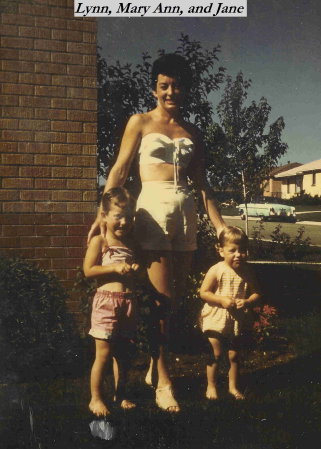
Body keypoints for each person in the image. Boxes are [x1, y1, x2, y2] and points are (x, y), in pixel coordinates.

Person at [87, 53, 226, 412]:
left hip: (186, 213)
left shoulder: (192, 132)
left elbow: (203, 185)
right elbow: (118, 170)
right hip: (152, 211)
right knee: (160, 302)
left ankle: (153, 367)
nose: (170, 91)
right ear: (154, 88)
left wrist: (221, 224)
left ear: (185, 89)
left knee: (175, 299)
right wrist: (101, 214)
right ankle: (164, 381)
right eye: (164, 85)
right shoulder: (140, 122)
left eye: (177, 85)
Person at [84, 187, 140, 417]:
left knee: (124, 354)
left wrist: (135, 270)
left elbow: (136, 273)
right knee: (104, 354)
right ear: (104, 216)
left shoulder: (130, 245)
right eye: (118, 216)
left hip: (128, 302)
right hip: (107, 303)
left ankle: (121, 394)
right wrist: (114, 268)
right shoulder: (100, 241)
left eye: (128, 216)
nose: (124, 222)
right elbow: (88, 270)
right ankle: (95, 398)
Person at [199, 226, 261, 400]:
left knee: (234, 355)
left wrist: (248, 301)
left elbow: (257, 293)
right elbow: (203, 293)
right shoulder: (217, 269)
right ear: (221, 251)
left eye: (242, 250)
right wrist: (221, 300)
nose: (238, 254)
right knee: (215, 353)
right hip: (216, 317)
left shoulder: (247, 271)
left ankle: (233, 387)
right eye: (232, 250)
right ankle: (211, 386)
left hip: (236, 319)